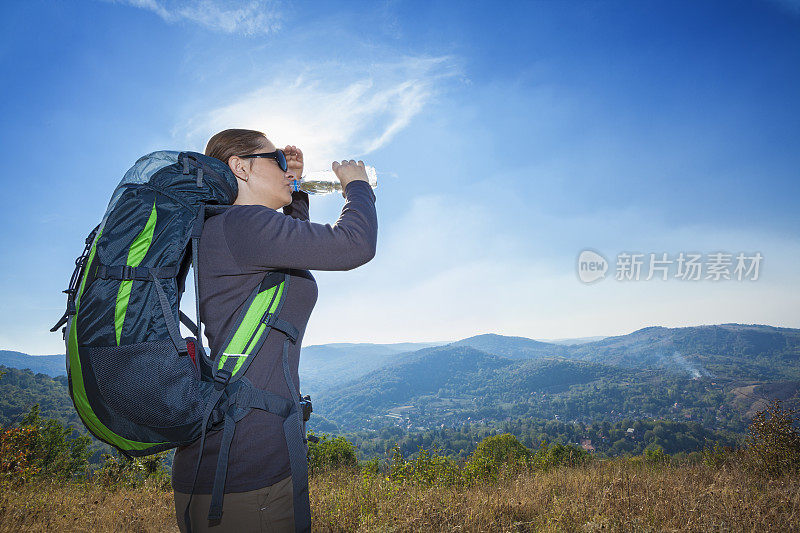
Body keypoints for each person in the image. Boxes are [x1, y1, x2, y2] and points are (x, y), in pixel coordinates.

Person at [171, 128, 378, 532]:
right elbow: (355, 244)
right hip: (246, 475)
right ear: (241, 167)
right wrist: (358, 186)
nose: (287, 168)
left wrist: (296, 187)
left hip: (242, 460)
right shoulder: (243, 226)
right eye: (277, 161)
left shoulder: (235, 229)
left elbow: (289, 256)